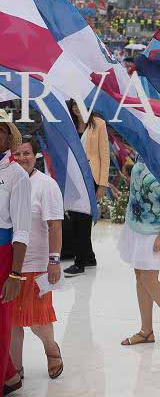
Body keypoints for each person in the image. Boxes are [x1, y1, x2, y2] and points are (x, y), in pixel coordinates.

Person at [10, 136, 64, 382]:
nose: (22, 158)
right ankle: (15, 369)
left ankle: (51, 349)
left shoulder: (46, 185)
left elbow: (55, 226)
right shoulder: (7, 181)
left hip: (36, 264)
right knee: (12, 322)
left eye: (27, 153)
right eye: (17, 154)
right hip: (9, 264)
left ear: (36, 156)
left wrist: (54, 261)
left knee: (38, 320)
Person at [118, 158, 160, 349]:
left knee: (149, 279)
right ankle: (146, 330)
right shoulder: (141, 154)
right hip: (135, 225)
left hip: (156, 230)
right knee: (139, 276)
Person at [0, 112, 31, 396]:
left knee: (0, 324)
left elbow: (21, 230)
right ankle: (10, 376)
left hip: (4, 256)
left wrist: (15, 274)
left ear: (9, 137)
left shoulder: (17, 176)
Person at [64, 101, 110, 277]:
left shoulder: (99, 124)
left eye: (80, 104)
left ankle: (80, 263)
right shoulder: (69, 124)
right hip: (74, 178)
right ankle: (89, 257)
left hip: (91, 178)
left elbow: (105, 155)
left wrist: (103, 184)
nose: (77, 108)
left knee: (83, 220)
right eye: (74, 104)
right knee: (75, 218)